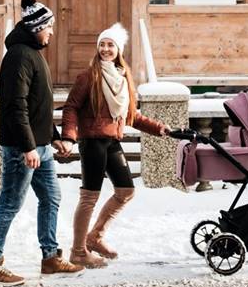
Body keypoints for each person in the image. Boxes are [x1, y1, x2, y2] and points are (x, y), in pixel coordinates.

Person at [0, 0, 83, 287]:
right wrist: (27, 147)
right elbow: (16, 106)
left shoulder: (33, 53)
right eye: (48, 26)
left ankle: (50, 258)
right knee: (10, 203)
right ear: (37, 26)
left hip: (41, 147)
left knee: (51, 197)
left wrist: (54, 138)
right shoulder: (19, 56)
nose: (52, 31)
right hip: (21, 147)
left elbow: (38, 106)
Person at [60, 23, 168, 268]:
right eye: (102, 44)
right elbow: (71, 108)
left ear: (118, 49)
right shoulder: (88, 77)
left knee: (125, 191)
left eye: (110, 45)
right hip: (92, 142)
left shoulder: (122, 78)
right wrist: (69, 136)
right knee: (89, 197)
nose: (105, 49)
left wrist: (158, 128)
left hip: (112, 141)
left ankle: (95, 236)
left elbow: (132, 115)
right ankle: (78, 251)